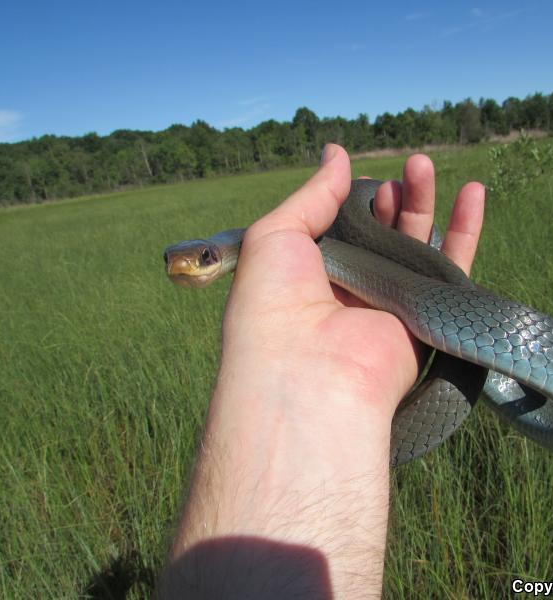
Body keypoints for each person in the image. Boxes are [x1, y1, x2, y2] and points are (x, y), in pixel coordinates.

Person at [158, 144, 486, 599]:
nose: (185, 269)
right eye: (173, 262)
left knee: (450, 292)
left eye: (204, 258)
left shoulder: (272, 241)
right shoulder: (269, 248)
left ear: (221, 253)